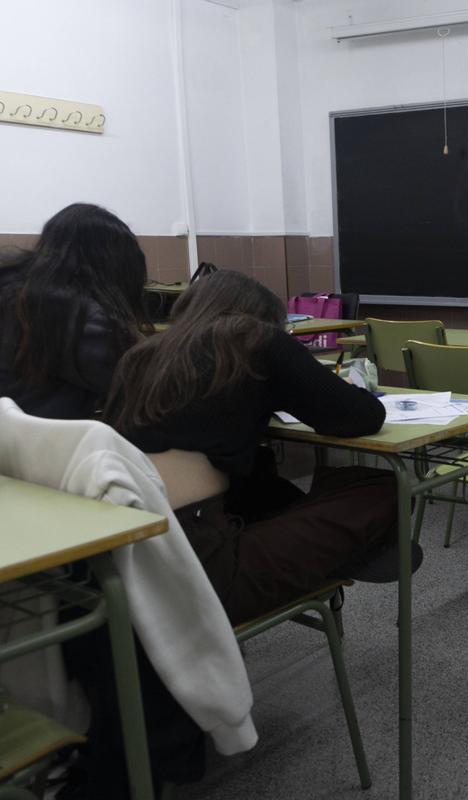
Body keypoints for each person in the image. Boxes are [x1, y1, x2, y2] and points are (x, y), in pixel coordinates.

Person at [104, 270, 401, 626]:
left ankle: (334, 551)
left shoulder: (140, 356)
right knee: (382, 487)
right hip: (204, 574)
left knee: (258, 472)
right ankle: (343, 554)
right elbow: (361, 417)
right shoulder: (258, 340)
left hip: (124, 557)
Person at [0, 202, 151, 419]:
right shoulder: (79, 317)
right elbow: (141, 385)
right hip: (41, 442)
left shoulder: (13, 289)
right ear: (115, 265)